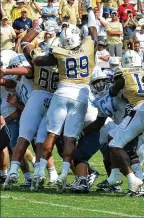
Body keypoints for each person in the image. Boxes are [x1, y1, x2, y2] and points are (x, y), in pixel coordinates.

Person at [32, 24, 97, 193]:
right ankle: (64, 174)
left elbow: (38, 60)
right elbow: (93, 34)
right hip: (81, 95)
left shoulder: (59, 51)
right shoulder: (88, 47)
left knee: (51, 134)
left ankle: (39, 171)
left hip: (62, 92)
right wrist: (90, 23)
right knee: (70, 139)